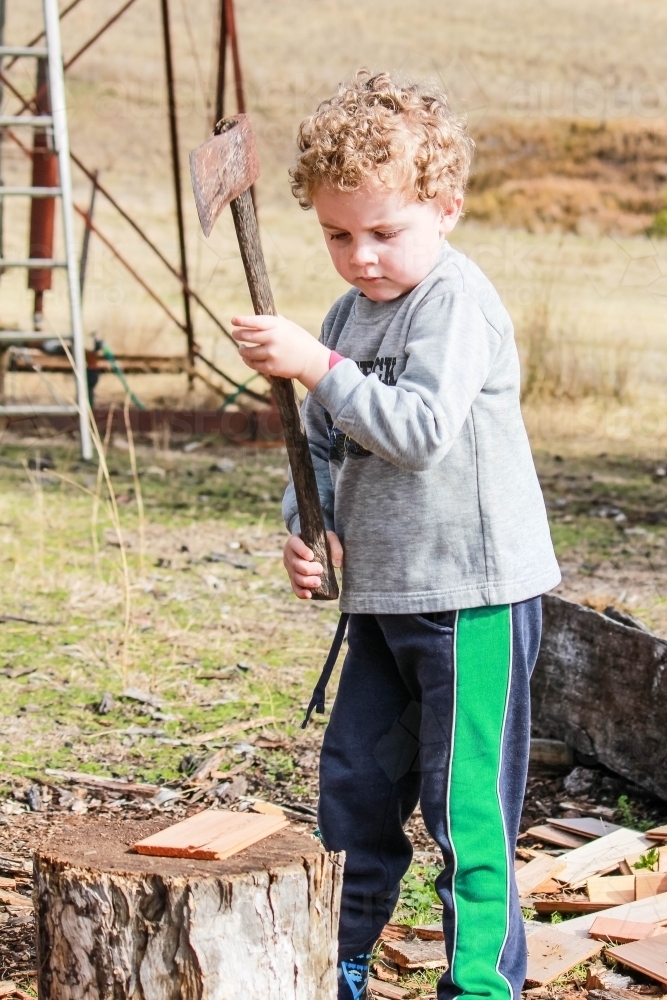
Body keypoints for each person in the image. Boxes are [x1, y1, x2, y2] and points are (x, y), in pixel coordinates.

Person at [230, 70, 560, 1000]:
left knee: (465, 809)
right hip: (381, 597)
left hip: (470, 597)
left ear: (444, 208)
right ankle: (339, 963)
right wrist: (313, 529)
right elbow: (327, 451)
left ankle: (479, 986)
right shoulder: (345, 314)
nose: (361, 257)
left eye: (384, 232)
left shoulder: (454, 303)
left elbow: (415, 431)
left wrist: (315, 364)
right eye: (338, 235)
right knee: (356, 794)